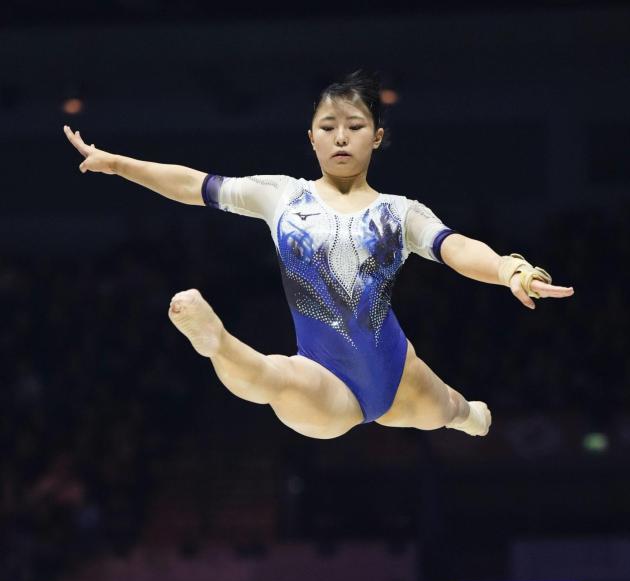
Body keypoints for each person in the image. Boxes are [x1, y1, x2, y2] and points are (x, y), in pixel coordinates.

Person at [64, 70, 574, 441]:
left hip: (395, 372)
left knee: (452, 410)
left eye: (354, 125)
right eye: (328, 126)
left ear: (376, 137)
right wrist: (118, 164)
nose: (341, 136)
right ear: (311, 139)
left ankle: (468, 416)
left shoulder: (399, 213)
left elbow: (456, 248)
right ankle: (214, 340)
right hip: (323, 378)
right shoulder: (281, 195)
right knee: (273, 377)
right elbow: (194, 184)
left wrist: (511, 268)